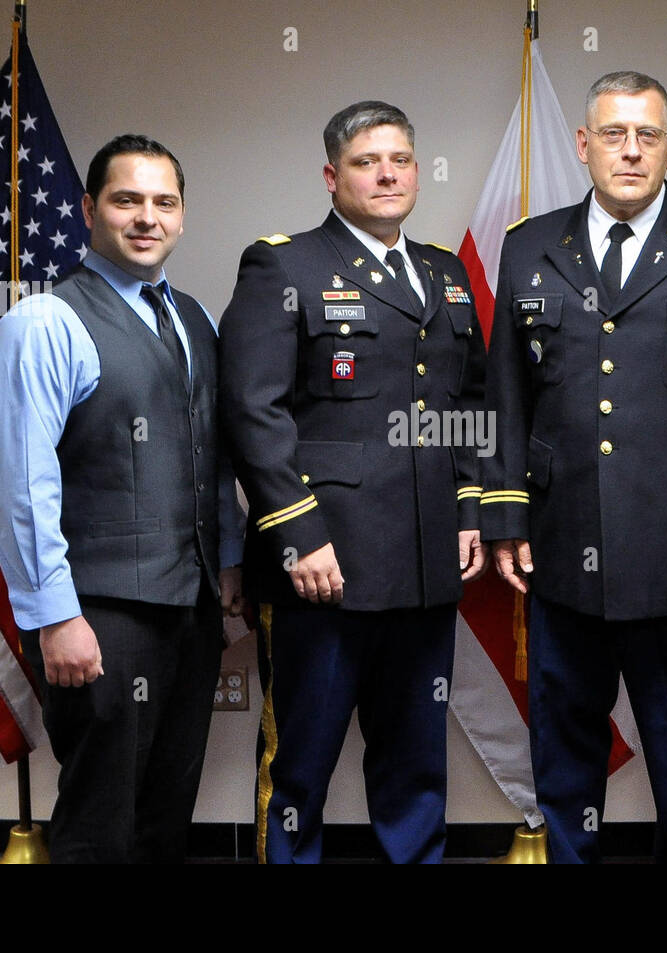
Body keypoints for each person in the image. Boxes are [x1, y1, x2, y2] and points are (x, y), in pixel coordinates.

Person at [481, 71, 667, 863]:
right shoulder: (529, 244)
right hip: (559, 546)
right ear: (584, 145)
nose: (630, 151)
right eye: (613, 134)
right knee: (565, 755)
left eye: (647, 136)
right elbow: (505, 387)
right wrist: (504, 514)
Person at [219, 101, 487, 864]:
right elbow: (253, 412)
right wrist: (300, 536)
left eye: (400, 158)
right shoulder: (284, 264)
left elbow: (465, 404)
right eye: (369, 161)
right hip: (322, 570)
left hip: (426, 565)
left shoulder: (445, 271)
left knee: (415, 768)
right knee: (298, 766)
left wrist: (468, 505)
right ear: (333, 176)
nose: (388, 173)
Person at [0, 134, 247, 863]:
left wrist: (226, 562)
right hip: (96, 614)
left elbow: (212, 453)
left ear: (183, 216)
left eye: (163, 202)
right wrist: (54, 616)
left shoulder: (196, 320)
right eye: (127, 199)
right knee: (101, 825)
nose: (146, 217)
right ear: (88, 207)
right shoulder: (43, 323)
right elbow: (21, 484)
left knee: (165, 819)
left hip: (188, 611)